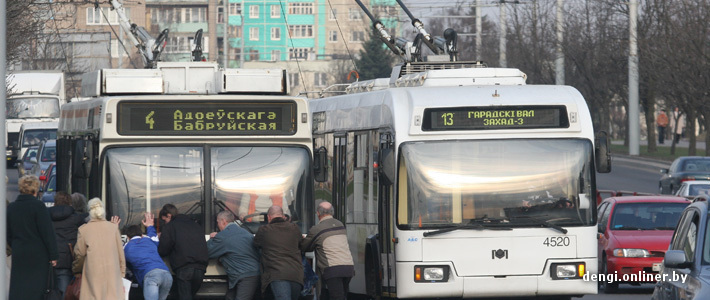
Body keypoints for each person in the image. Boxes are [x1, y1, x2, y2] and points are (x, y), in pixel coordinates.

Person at [6, 175, 58, 300]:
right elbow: (47, 233)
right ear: (35, 189)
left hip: (19, 252)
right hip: (38, 254)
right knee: (36, 288)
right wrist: (53, 255)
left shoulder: (12, 208)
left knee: (19, 286)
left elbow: (8, 233)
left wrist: (15, 246)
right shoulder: (39, 207)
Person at [72, 198, 127, 300]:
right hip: (113, 275)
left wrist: (77, 271)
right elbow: (120, 253)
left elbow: (79, 255)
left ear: (89, 212)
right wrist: (122, 272)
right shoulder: (113, 228)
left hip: (93, 275)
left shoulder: (84, 230)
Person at [300, 201, 355, 300]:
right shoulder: (340, 224)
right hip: (348, 268)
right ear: (332, 212)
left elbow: (305, 247)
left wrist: (304, 238)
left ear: (318, 214)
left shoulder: (317, 229)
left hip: (332, 269)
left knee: (336, 297)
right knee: (339, 295)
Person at [157, 204, 209, 300]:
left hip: (184, 267)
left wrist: (160, 239)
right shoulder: (196, 225)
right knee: (190, 295)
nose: (165, 223)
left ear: (169, 215)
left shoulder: (170, 226)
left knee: (184, 296)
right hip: (201, 268)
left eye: (164, 220)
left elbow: (163, 250)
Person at [253, 205, 304, 300]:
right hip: (295, 274)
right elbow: (302, 244)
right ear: (283, 216)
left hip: (277, 275)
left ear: (268, 217)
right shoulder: (294, 228)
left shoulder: (264, 230)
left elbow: (256, 244)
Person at [207, 211, 260, 300]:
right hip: (250, 273)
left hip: (245, 275)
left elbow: (206, 251)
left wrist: (212, 238)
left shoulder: (223, 236)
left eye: (217, 222)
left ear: (223, 221)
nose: (217, 225)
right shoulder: (245, 232)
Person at [124, 212, 173, 300]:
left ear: (128, 237)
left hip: (151, 277)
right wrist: (150, 225)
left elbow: (123, 263)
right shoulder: (149, 240)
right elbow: (153, 235)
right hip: (166, 275)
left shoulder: (126, 248)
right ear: (141, 234)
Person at [49, 191, 87, 296]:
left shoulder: (46, 217)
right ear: (70, 203)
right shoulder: (76, 218)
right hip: (67, 260)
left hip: (49, 260)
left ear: (55, 202)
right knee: (65, 293)